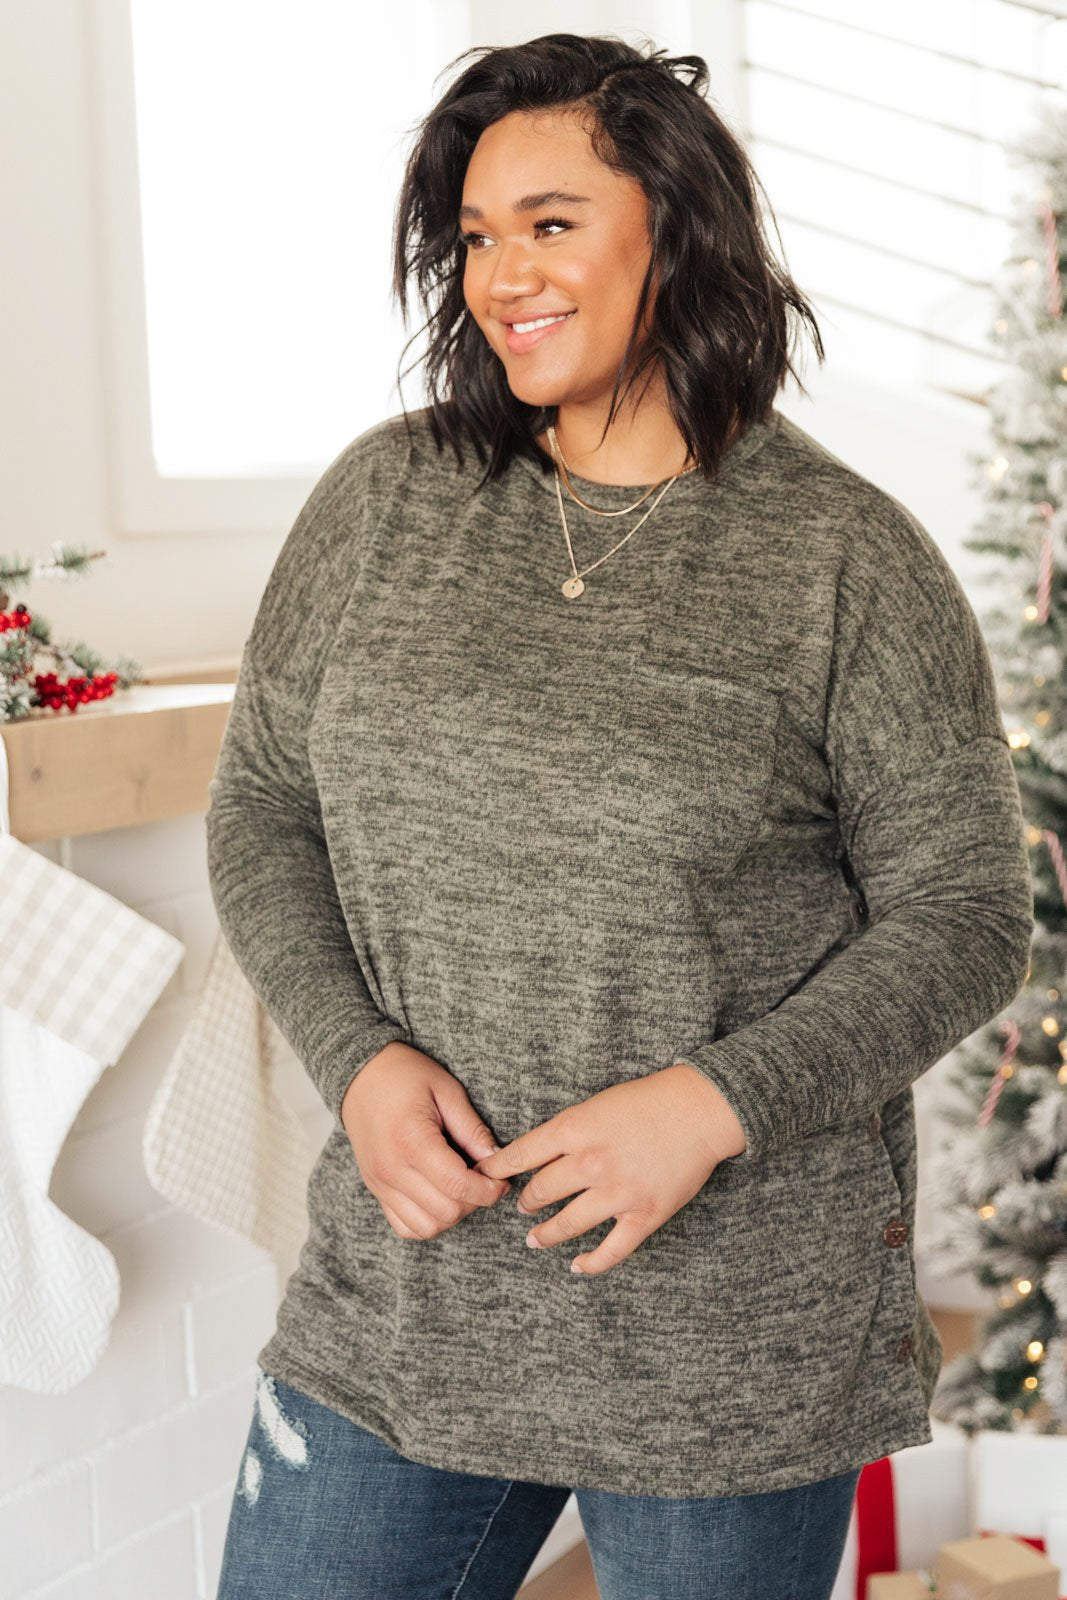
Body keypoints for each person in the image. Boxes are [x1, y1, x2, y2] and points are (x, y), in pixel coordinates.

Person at [207, 31, 1034, 1600]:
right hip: (405, 1300)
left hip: (731, 1335)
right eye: (474, 236)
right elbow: (262, 809)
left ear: (680, 231)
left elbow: (969, 915)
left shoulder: (845, 559)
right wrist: (354, 1059)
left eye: (551, 223)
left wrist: (711, 1106)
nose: (500, 275)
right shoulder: (384, 503)